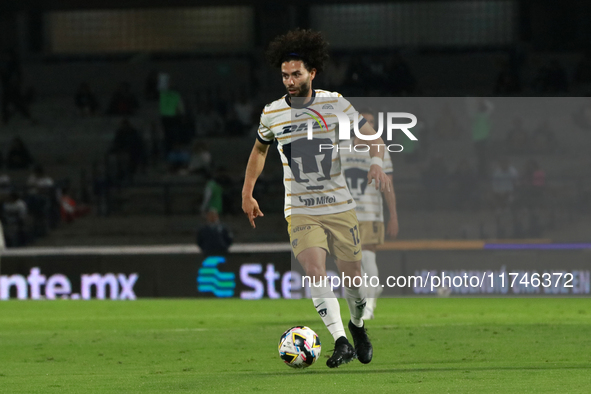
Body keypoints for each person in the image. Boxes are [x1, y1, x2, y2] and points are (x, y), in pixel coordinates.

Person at [241, 29, 391, 368]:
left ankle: (357, 327)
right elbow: (259, 151)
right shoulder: (272, 113)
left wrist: (377, 164)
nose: (290, 80)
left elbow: (373, 139)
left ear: (312, 73)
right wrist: (246, 192)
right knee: (314, 271)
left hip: (339, 207)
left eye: (296, 74)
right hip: (300, 210)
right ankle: (340, 340)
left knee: (353, 281)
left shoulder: (334, 103)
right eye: (284, 75)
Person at [339, 109, 399, 320]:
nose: (370, 126)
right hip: (345, 215)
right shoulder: (341, 149)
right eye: (366, 122)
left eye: (373, 123)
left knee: (368, 258)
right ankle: (369, 296)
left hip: (371, 214)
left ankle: (369, 306)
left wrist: (393, 215)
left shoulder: (381, 151)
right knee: (353, 264)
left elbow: (387, 186)